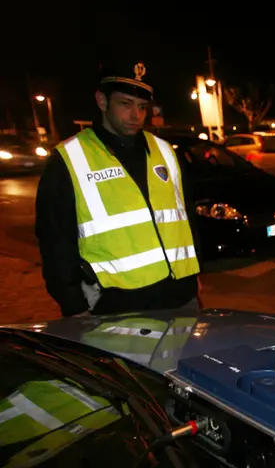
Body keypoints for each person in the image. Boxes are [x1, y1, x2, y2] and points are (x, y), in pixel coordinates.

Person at [35, 60, 202, 318]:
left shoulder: (165, 151)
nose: (136, 116)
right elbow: (55, 240)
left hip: (180, 298)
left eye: (142, 107)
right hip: (117, 308)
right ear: (102, 101)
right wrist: (73, 305)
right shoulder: (68, 159)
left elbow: (186, 217)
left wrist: (195, 274)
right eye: (125, 104)